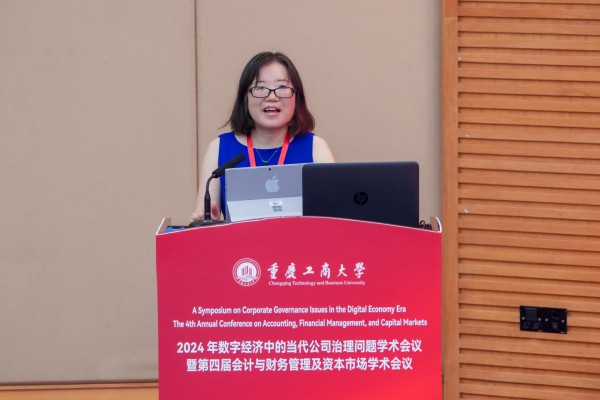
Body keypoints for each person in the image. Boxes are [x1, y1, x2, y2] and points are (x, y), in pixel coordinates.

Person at [190, 51, 335, 222]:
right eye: (260, 88)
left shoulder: (316, 148)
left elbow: (335, 218)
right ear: (245, 98)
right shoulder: (220, 148)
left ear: (297, 97)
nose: (272, 97)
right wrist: (209, 222)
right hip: (238, 240)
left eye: (282, 87)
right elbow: (203, 218)